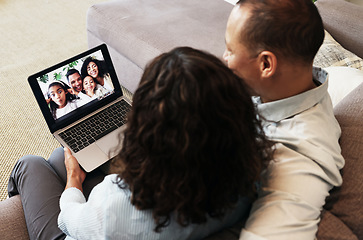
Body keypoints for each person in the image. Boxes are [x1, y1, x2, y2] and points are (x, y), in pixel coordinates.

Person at [8, 47, 274, 240]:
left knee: (29, 164)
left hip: (84, 230)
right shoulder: (249, 170)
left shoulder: (118, 205)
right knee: (59, 157)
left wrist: (74, 181)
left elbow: (69, 220)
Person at [223, 0, 345, 239]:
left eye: (230, 49)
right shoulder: (297, 87)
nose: (224, 58)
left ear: (266, 64)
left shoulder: (295, 158)